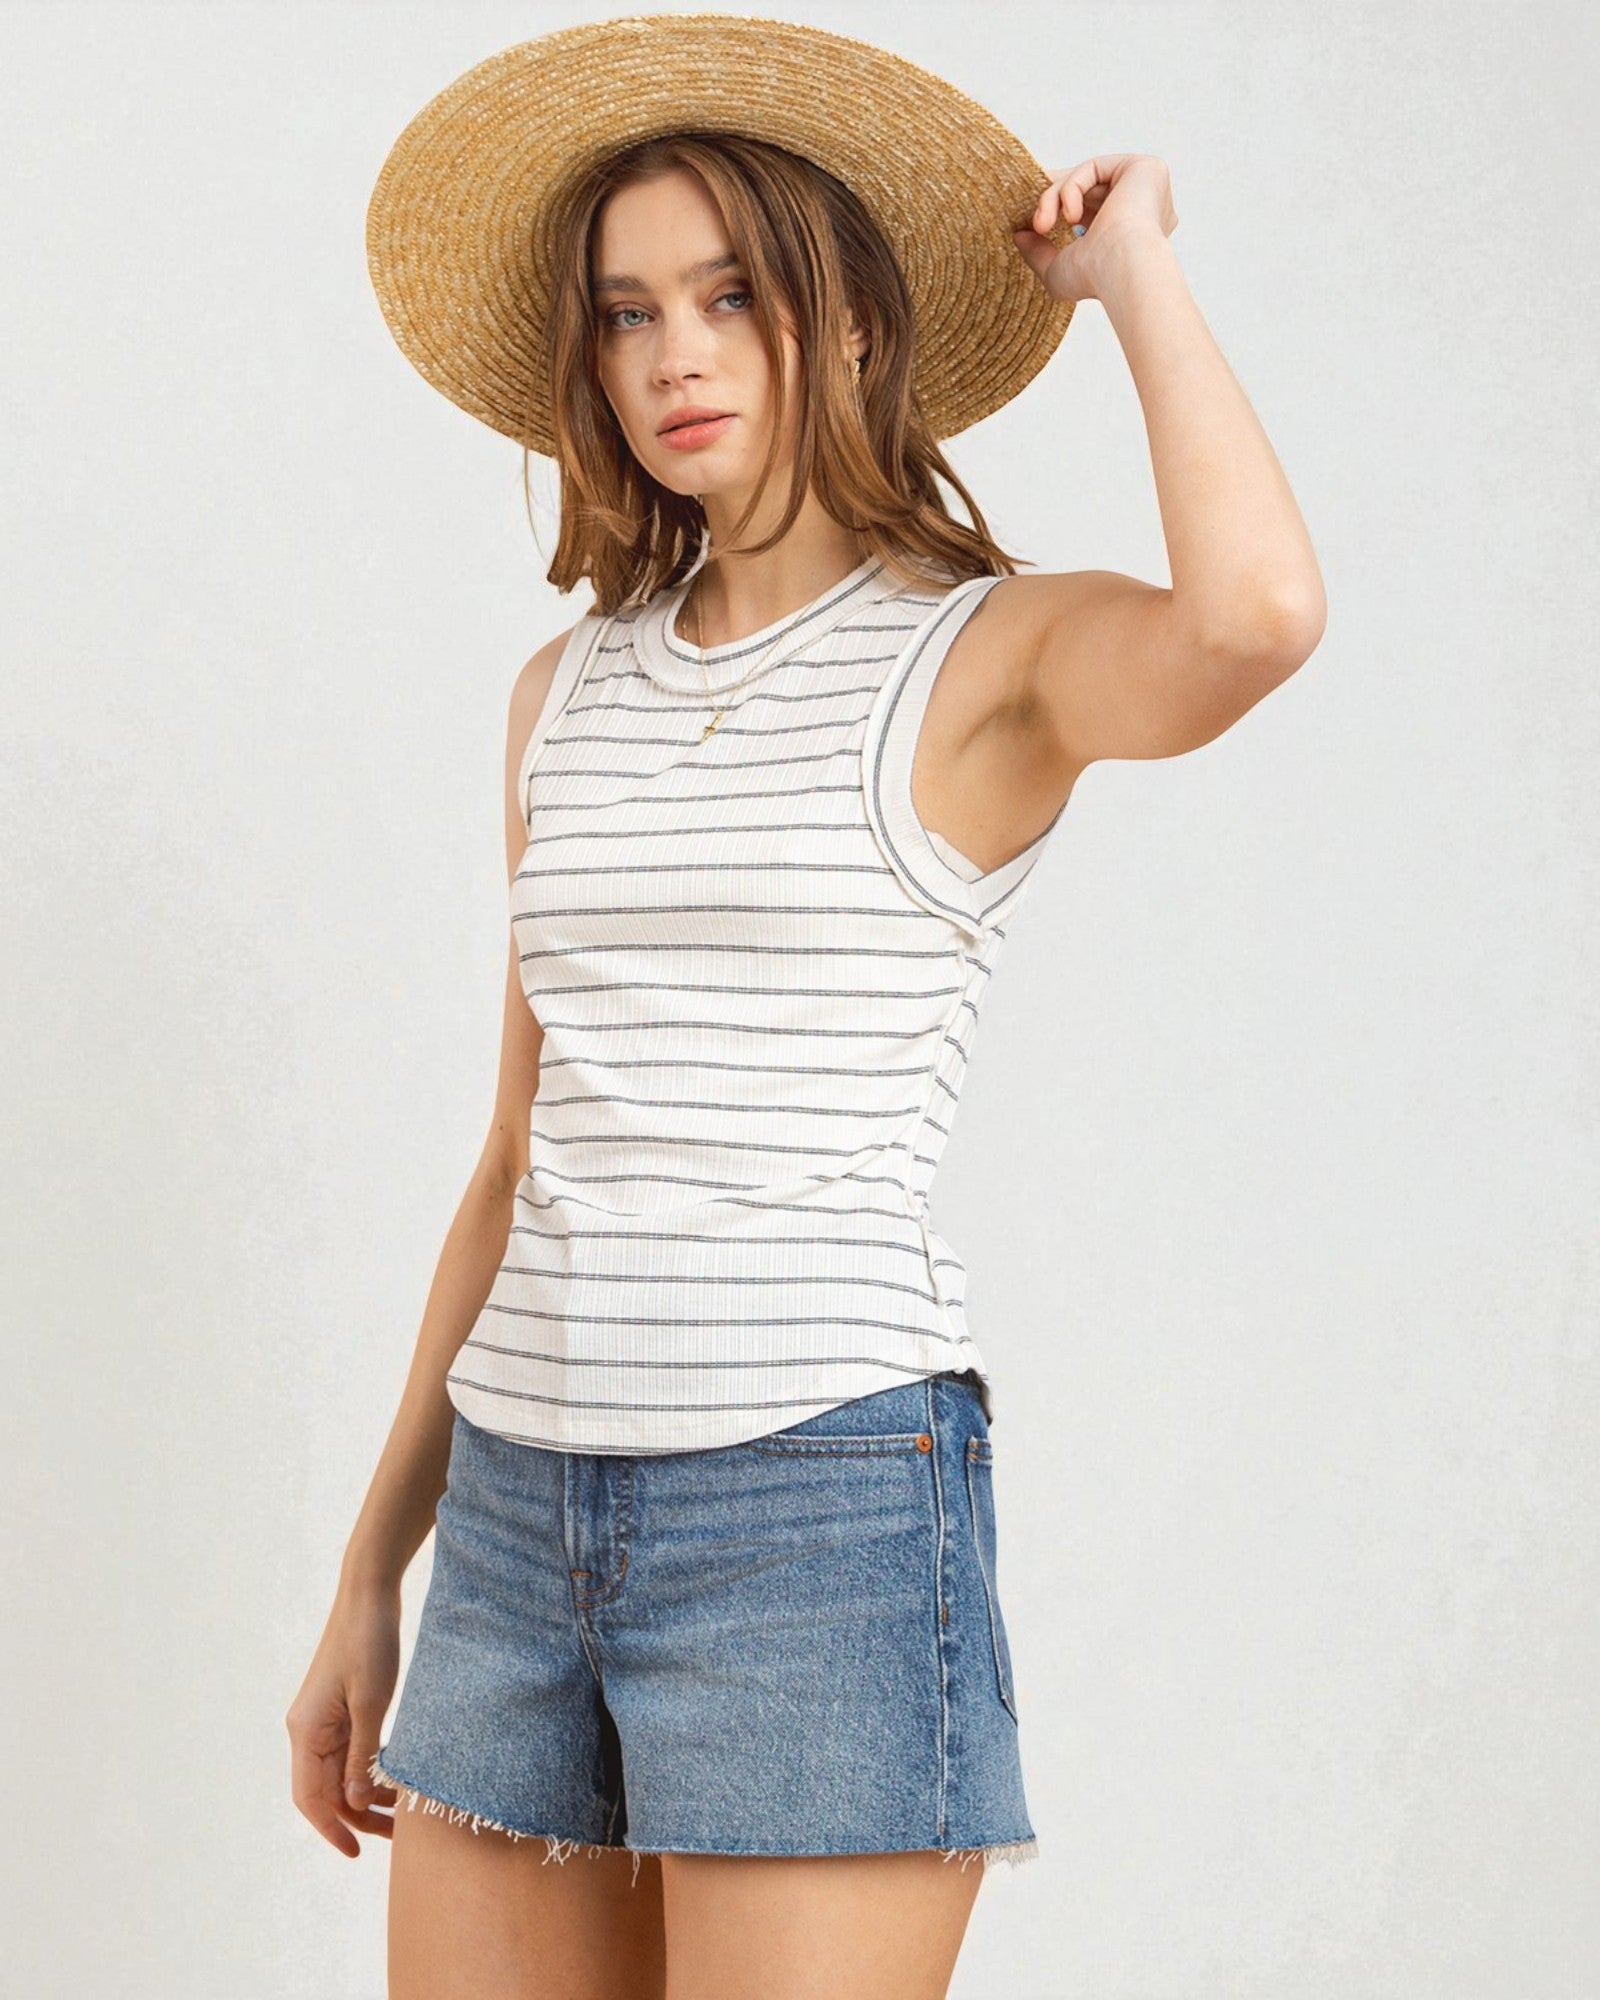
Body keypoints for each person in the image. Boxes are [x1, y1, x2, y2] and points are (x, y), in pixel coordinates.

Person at [285, 18, 1326, 1998]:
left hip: (811, 1512)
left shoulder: (983, 657)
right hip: (512, 1523)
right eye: (627, 313)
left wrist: (1137, 279)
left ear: (841, 322)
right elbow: (519, 1156)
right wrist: (370, 1565)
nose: (676, 354)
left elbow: (1253, 619)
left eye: (731, 295)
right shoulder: (560, 692)